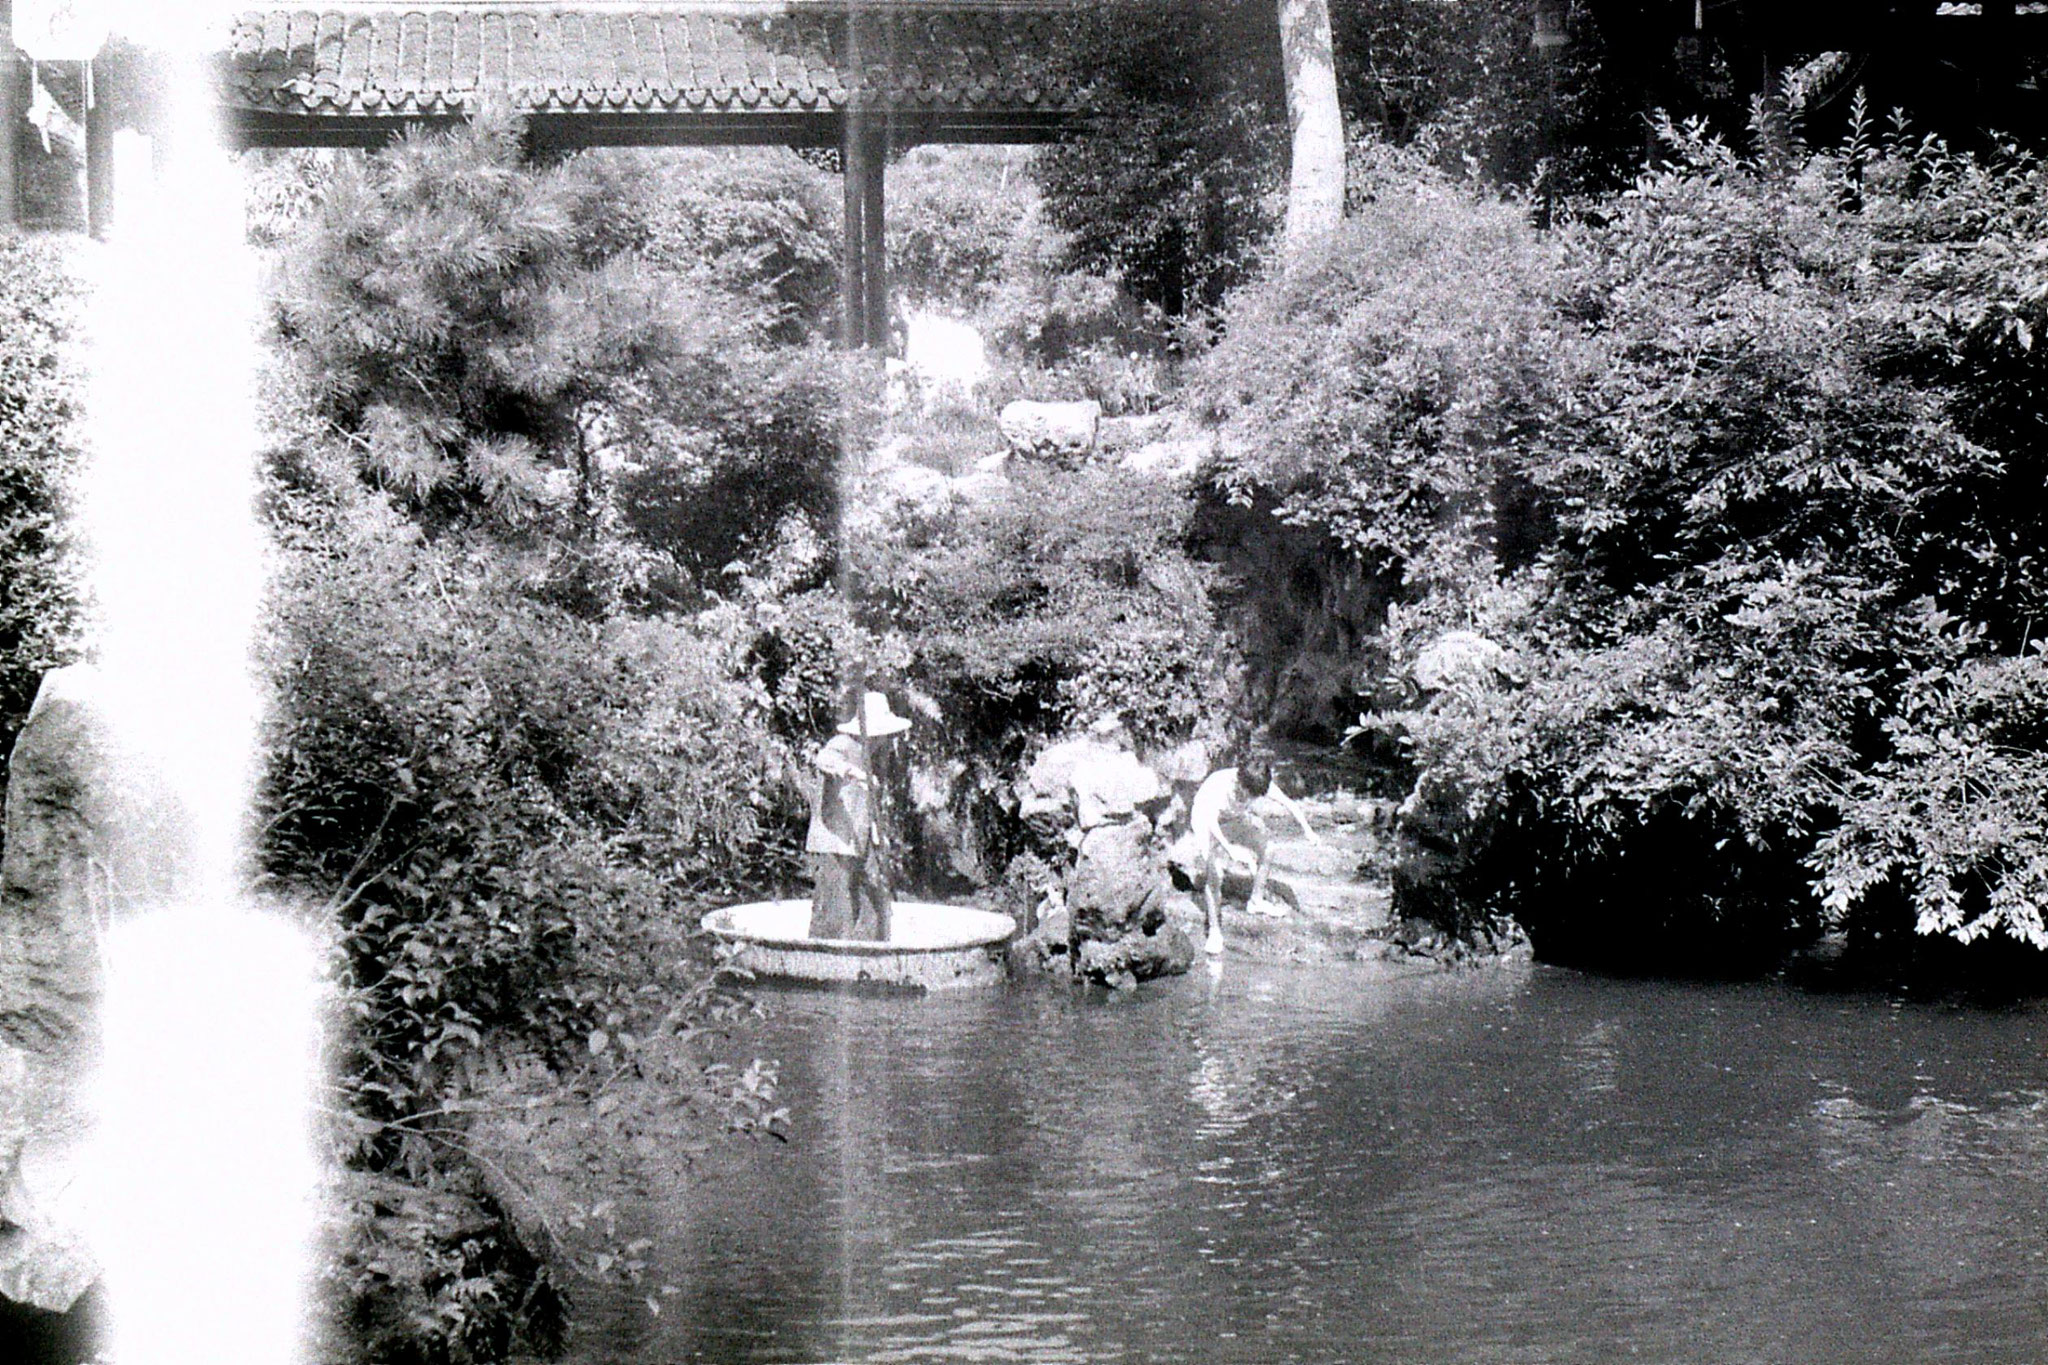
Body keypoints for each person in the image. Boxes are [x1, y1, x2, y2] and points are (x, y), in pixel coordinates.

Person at [805, 690, 912, 942]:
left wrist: (878, 836)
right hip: (836, 840)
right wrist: (852, 772)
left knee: (874, 893)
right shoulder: (844, 744)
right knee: (836, 900)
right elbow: (824, 760)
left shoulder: (875, 755)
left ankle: (871, 946)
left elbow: (870, 805)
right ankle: (827, 952)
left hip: (862, 839)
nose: (885, 738)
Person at [1188, 757, 1322, 956]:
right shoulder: (1220, 785)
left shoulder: (1257, 780)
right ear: (1238, 782)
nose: (1248, 797)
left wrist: (1308, 830)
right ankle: (1214, 931)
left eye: (1253, 795)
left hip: (1233, 819)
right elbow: (1210, 822)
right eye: (1245, 793)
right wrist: (1229, 848)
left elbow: (1289, 804)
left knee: (1269, 849)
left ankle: (1256, 900)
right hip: (1206, 822)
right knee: (1215, 871)